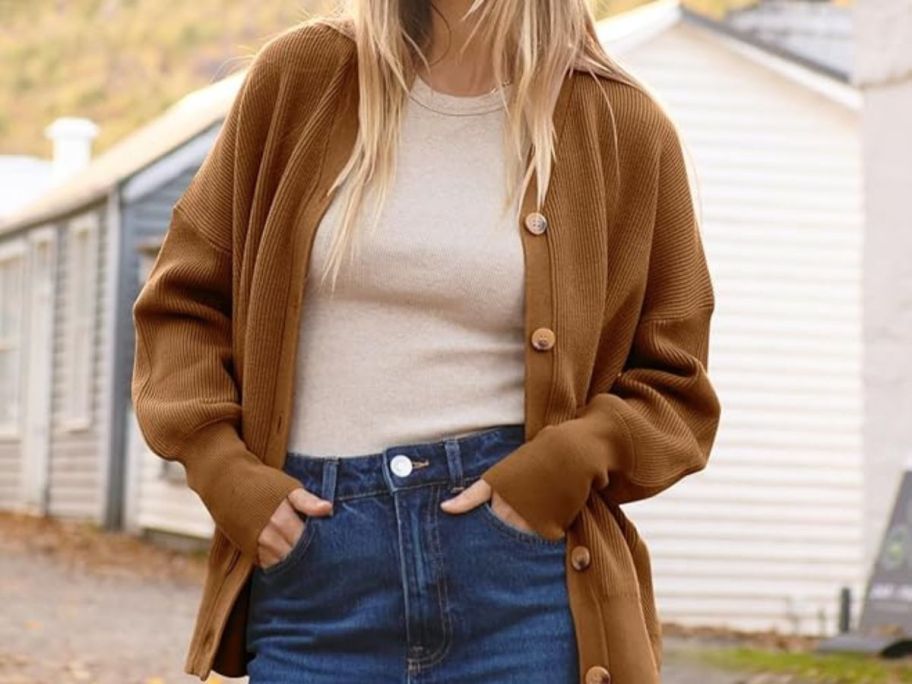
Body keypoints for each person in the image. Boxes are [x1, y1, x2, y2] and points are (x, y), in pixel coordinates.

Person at [130, 1, 722, 682]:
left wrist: (563, 466)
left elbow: (675, 385)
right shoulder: (302, 79)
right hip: (317, 575)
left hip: (521, 585)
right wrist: (226, 475)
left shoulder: (621, 127)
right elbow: (181, 307)